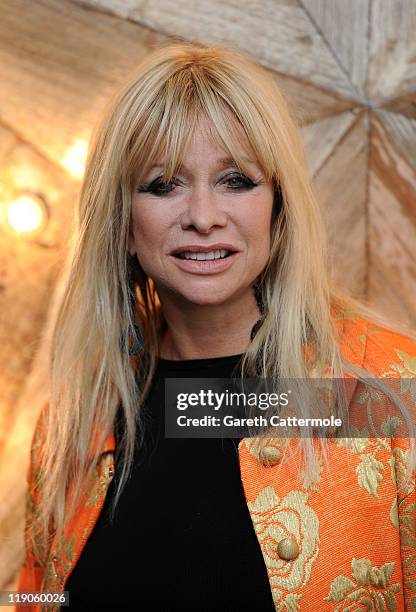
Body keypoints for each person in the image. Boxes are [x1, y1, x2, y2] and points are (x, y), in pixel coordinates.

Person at [17, 40, 416, 611]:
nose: (203, 217)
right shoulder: (71, 427)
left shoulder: (394, 395)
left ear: (278, 209)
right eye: (163, 185)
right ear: (123, 222)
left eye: (236, 181)